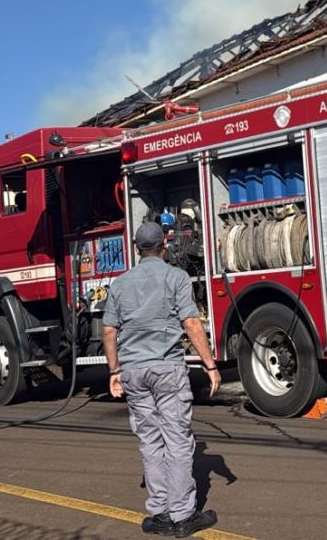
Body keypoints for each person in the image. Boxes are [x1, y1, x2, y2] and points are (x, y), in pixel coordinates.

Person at [104, 221, 221, 537]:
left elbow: (109, 330)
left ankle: (159, 513)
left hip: (133, 372)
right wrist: (210, 366)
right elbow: (192, 324)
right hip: (166, 369)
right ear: (164, 245)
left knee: (150, 441)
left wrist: (114, 372)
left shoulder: (120, 283)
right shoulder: (176, 277)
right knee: (178, 441)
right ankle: (183, 516)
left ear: (135, 248)